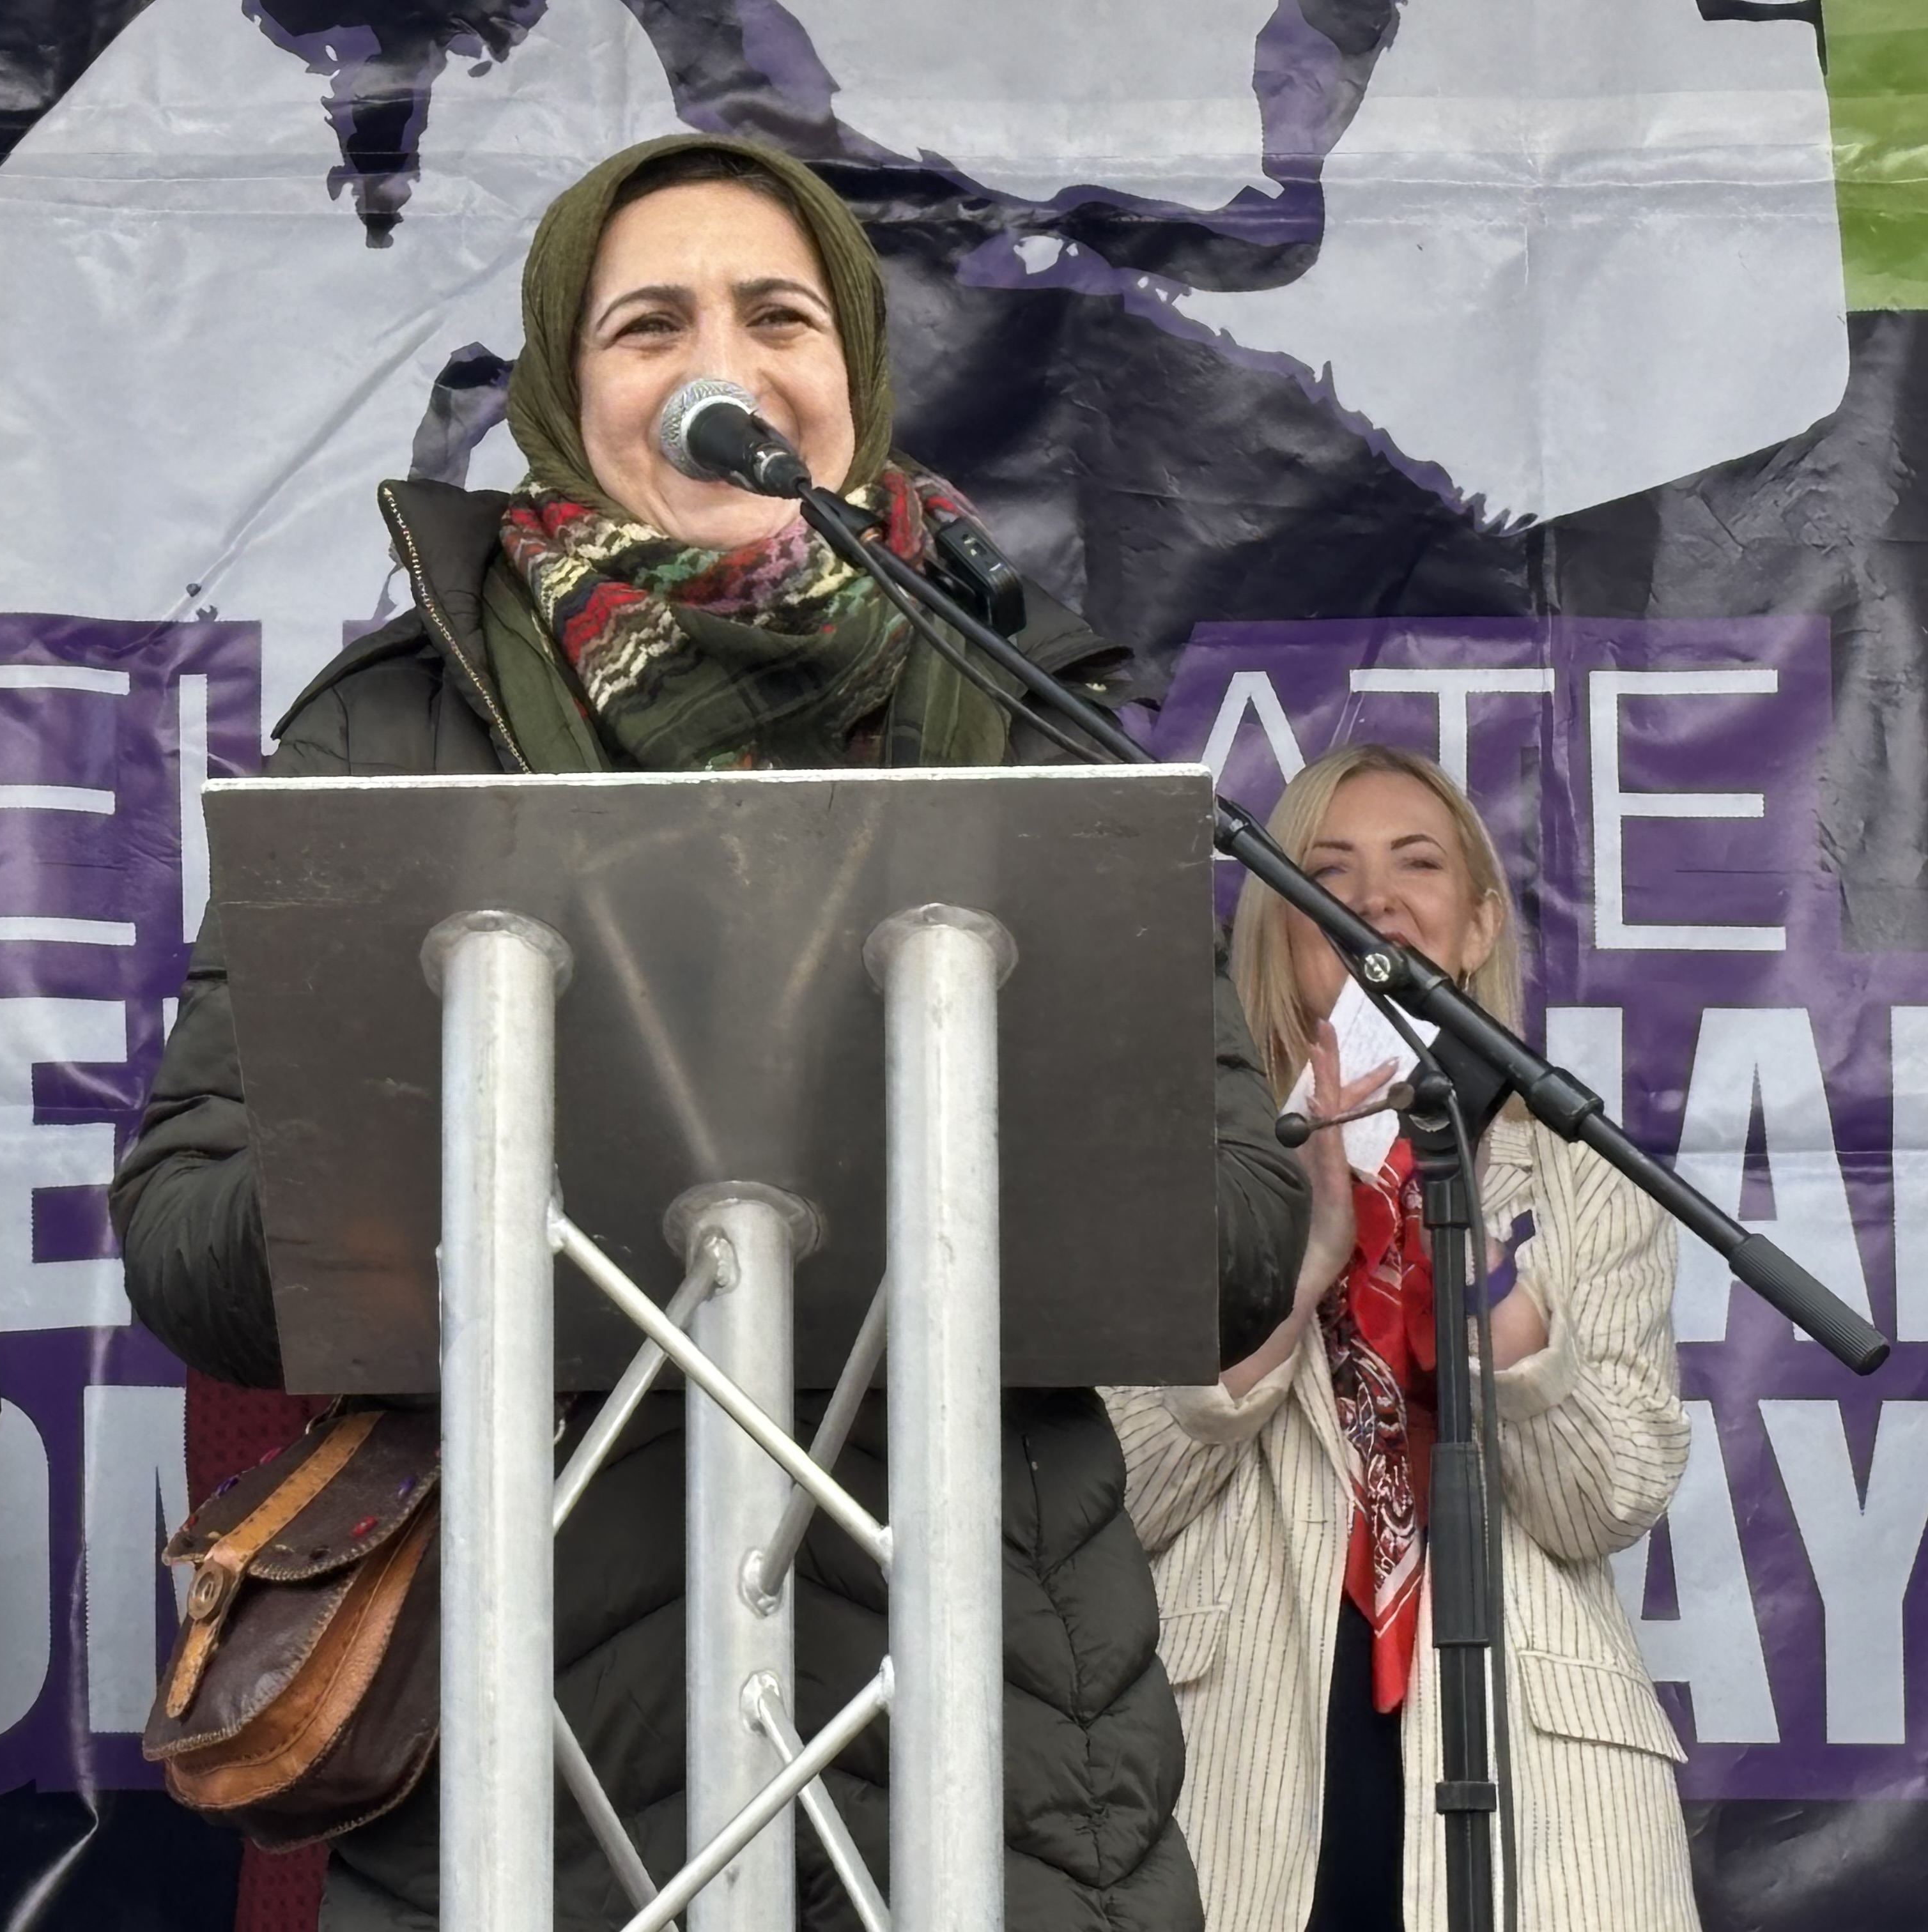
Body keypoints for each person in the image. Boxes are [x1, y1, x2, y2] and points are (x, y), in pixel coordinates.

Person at [112, 132, 1309, 1931]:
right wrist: (482, 1142)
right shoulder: (394, 733)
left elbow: (1232, 1233)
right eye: (648, 325)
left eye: (780, 317)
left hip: (986, 1757)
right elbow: (193, 1237)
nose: (723, 371)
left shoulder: (1026, 708)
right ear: (560, 387)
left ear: (854, 378)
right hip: (522, 1781)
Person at [1105, 742, 1697, 1932]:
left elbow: (1607, 1496)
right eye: (1329, 873)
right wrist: (1309, 1250)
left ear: (1475, 925)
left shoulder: (1582, 1171)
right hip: (1242, 1765)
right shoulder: (1190, 1171)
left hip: (1542, 1776)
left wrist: (1471, 1254)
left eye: (1415, 865)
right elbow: (1119, 1490)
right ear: (1279, 934)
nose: (1374, 900)